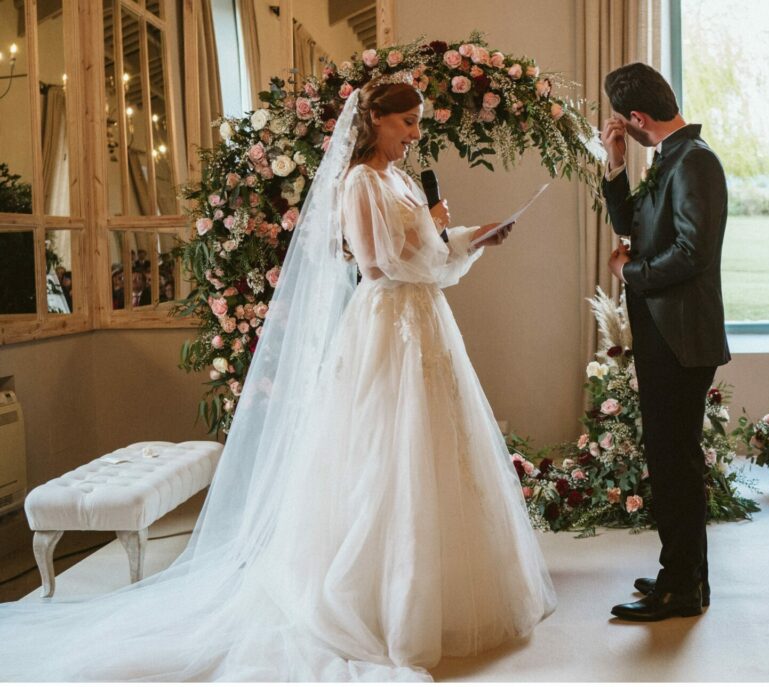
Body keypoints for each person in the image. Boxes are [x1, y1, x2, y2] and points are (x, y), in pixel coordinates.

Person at [0, 80, 555, 681]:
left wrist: (473, 239)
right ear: (377, 121)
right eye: (408, 124)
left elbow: (435, 264)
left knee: (438, 443)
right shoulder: (360, 182)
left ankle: (447, 591)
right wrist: (433, 225)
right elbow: (379, 264)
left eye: (418, 124)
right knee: (381, 449)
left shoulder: (402, 181)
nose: (415, 136)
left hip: (425, 322)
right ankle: (376, 598)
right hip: (387, 323)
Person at [600, 63, 730, 621]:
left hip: (680, 338)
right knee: (671, 460)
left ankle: (681, 588)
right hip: (664, 333)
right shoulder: (669, 158)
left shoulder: (694, 162)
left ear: (636, 117)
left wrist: (632, 274)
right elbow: (630, 220)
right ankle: (683, 577)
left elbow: (694, 252)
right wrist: (614, 167)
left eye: (621, 123)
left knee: (674, 463)